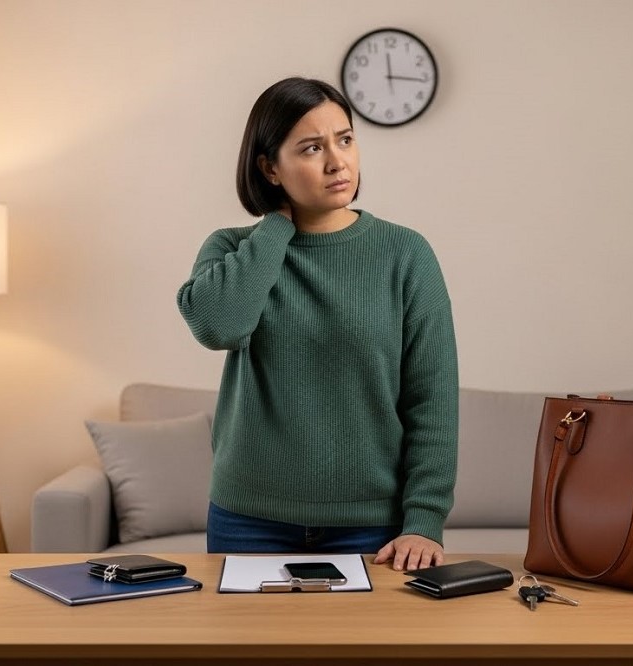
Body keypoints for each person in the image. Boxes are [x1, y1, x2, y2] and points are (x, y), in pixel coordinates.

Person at [177, 77, 458, 572]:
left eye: (345, 140)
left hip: (373, 525)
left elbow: (431, 398)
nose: (337, 162)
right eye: (311, 148)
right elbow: (219, 326)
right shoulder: (233, 249)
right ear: (270, 168)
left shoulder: (405, 254)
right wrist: (277, 226)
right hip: (248, 520)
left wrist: (424, 519)